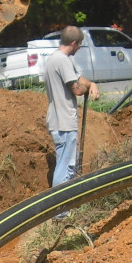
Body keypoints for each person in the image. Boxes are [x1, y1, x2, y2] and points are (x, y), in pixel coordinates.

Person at [42, 26, 96, 190]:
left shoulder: (54, 59)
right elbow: (77, 89)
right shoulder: (63, 61)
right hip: (64, 122)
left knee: (64, 163)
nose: (79, 48)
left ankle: (61, 208)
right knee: (66, 167)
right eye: (79, 45)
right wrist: (86, 89)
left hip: (57, 120)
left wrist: (91, 83)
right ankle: (60, 211)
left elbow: (78, 77)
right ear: (73, 43)